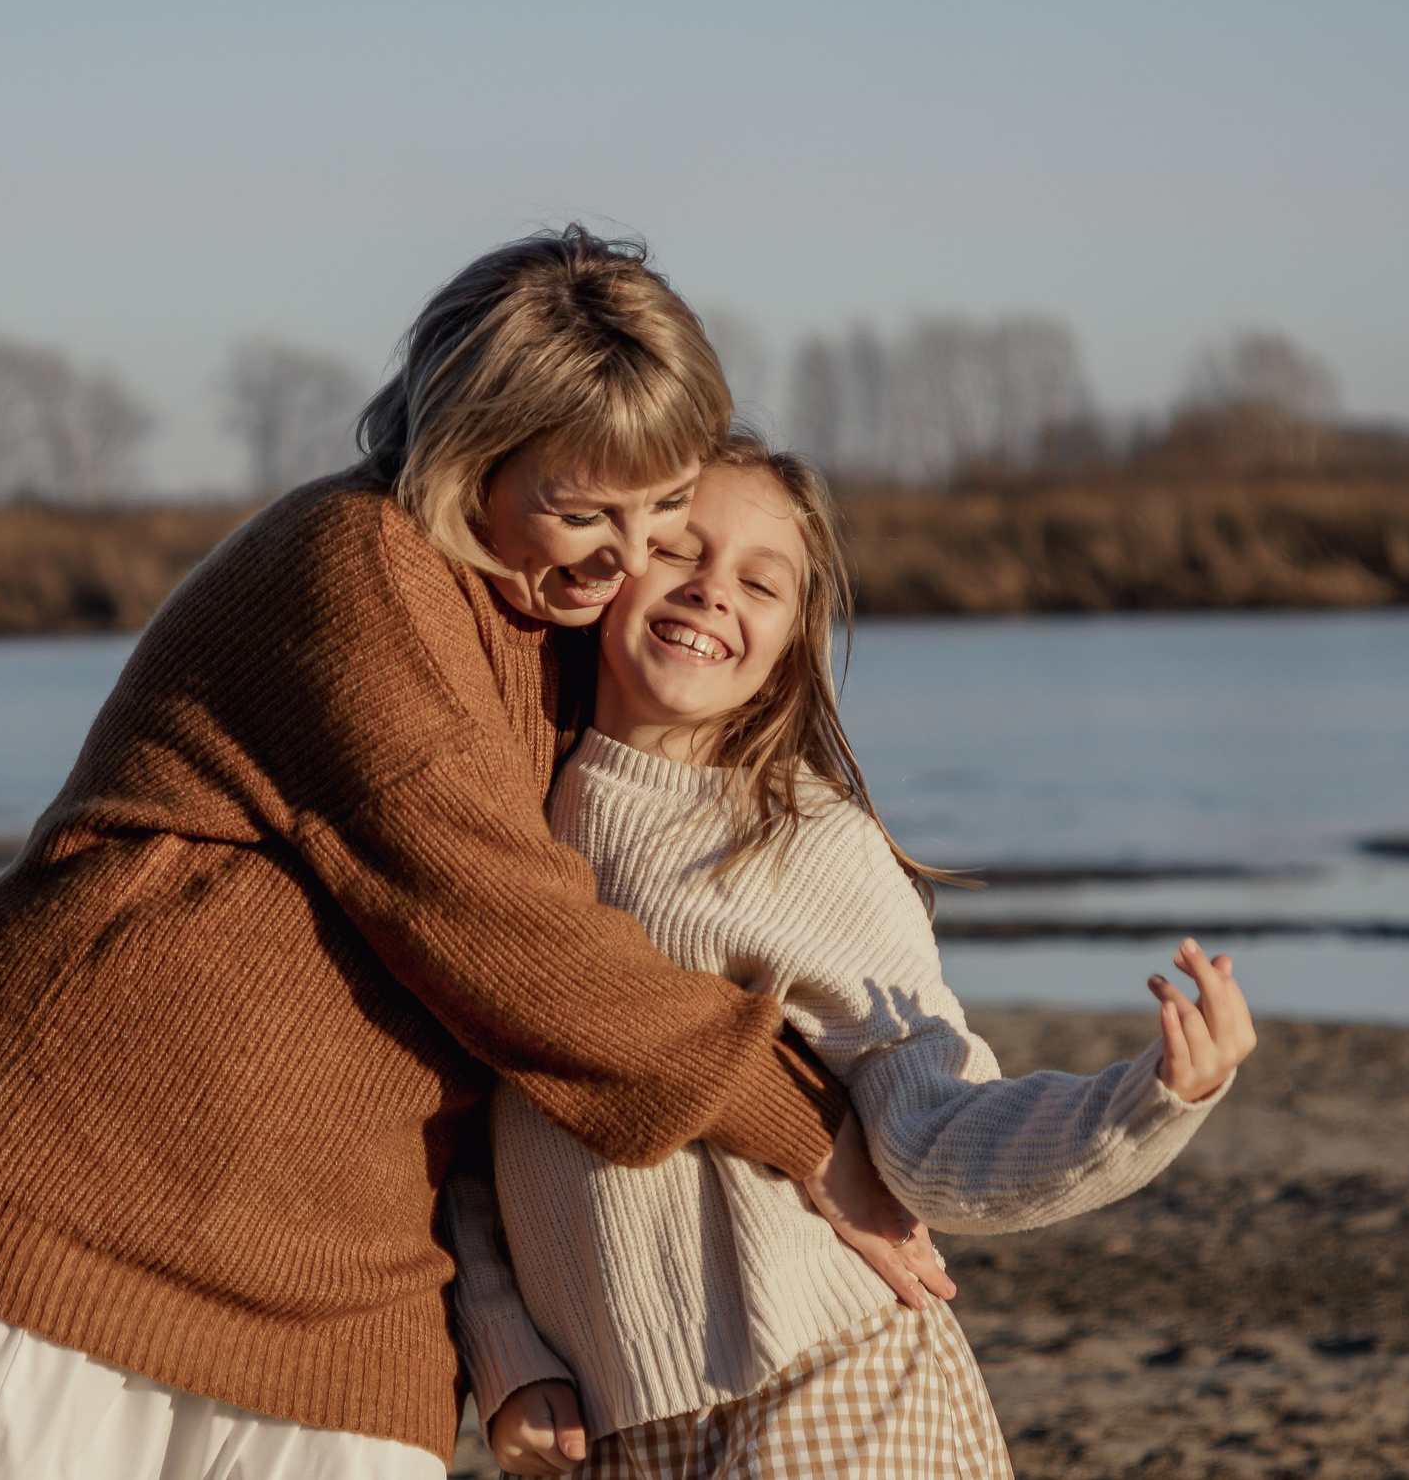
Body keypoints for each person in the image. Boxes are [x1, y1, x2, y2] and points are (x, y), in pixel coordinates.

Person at [0, 229, 949, 1480]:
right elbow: (509, 936)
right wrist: (806, 1125)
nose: (625, 556)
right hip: (58, 1190)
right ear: (465, 458)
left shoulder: (564, 634)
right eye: (580, 509)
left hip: (342, 1265)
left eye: (661, 505)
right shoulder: (357, 568)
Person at [447, 441, 1259, 1479]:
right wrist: (508, 1355)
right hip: (613, 1433)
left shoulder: (803, 840)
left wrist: (1144, 1101)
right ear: (610, 561)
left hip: (827, 1389)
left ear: (793, 640)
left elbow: (934, 1120)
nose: (710, 591)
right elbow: (458, 1129)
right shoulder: (496, 828)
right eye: (681, 551)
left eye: (758, 581)